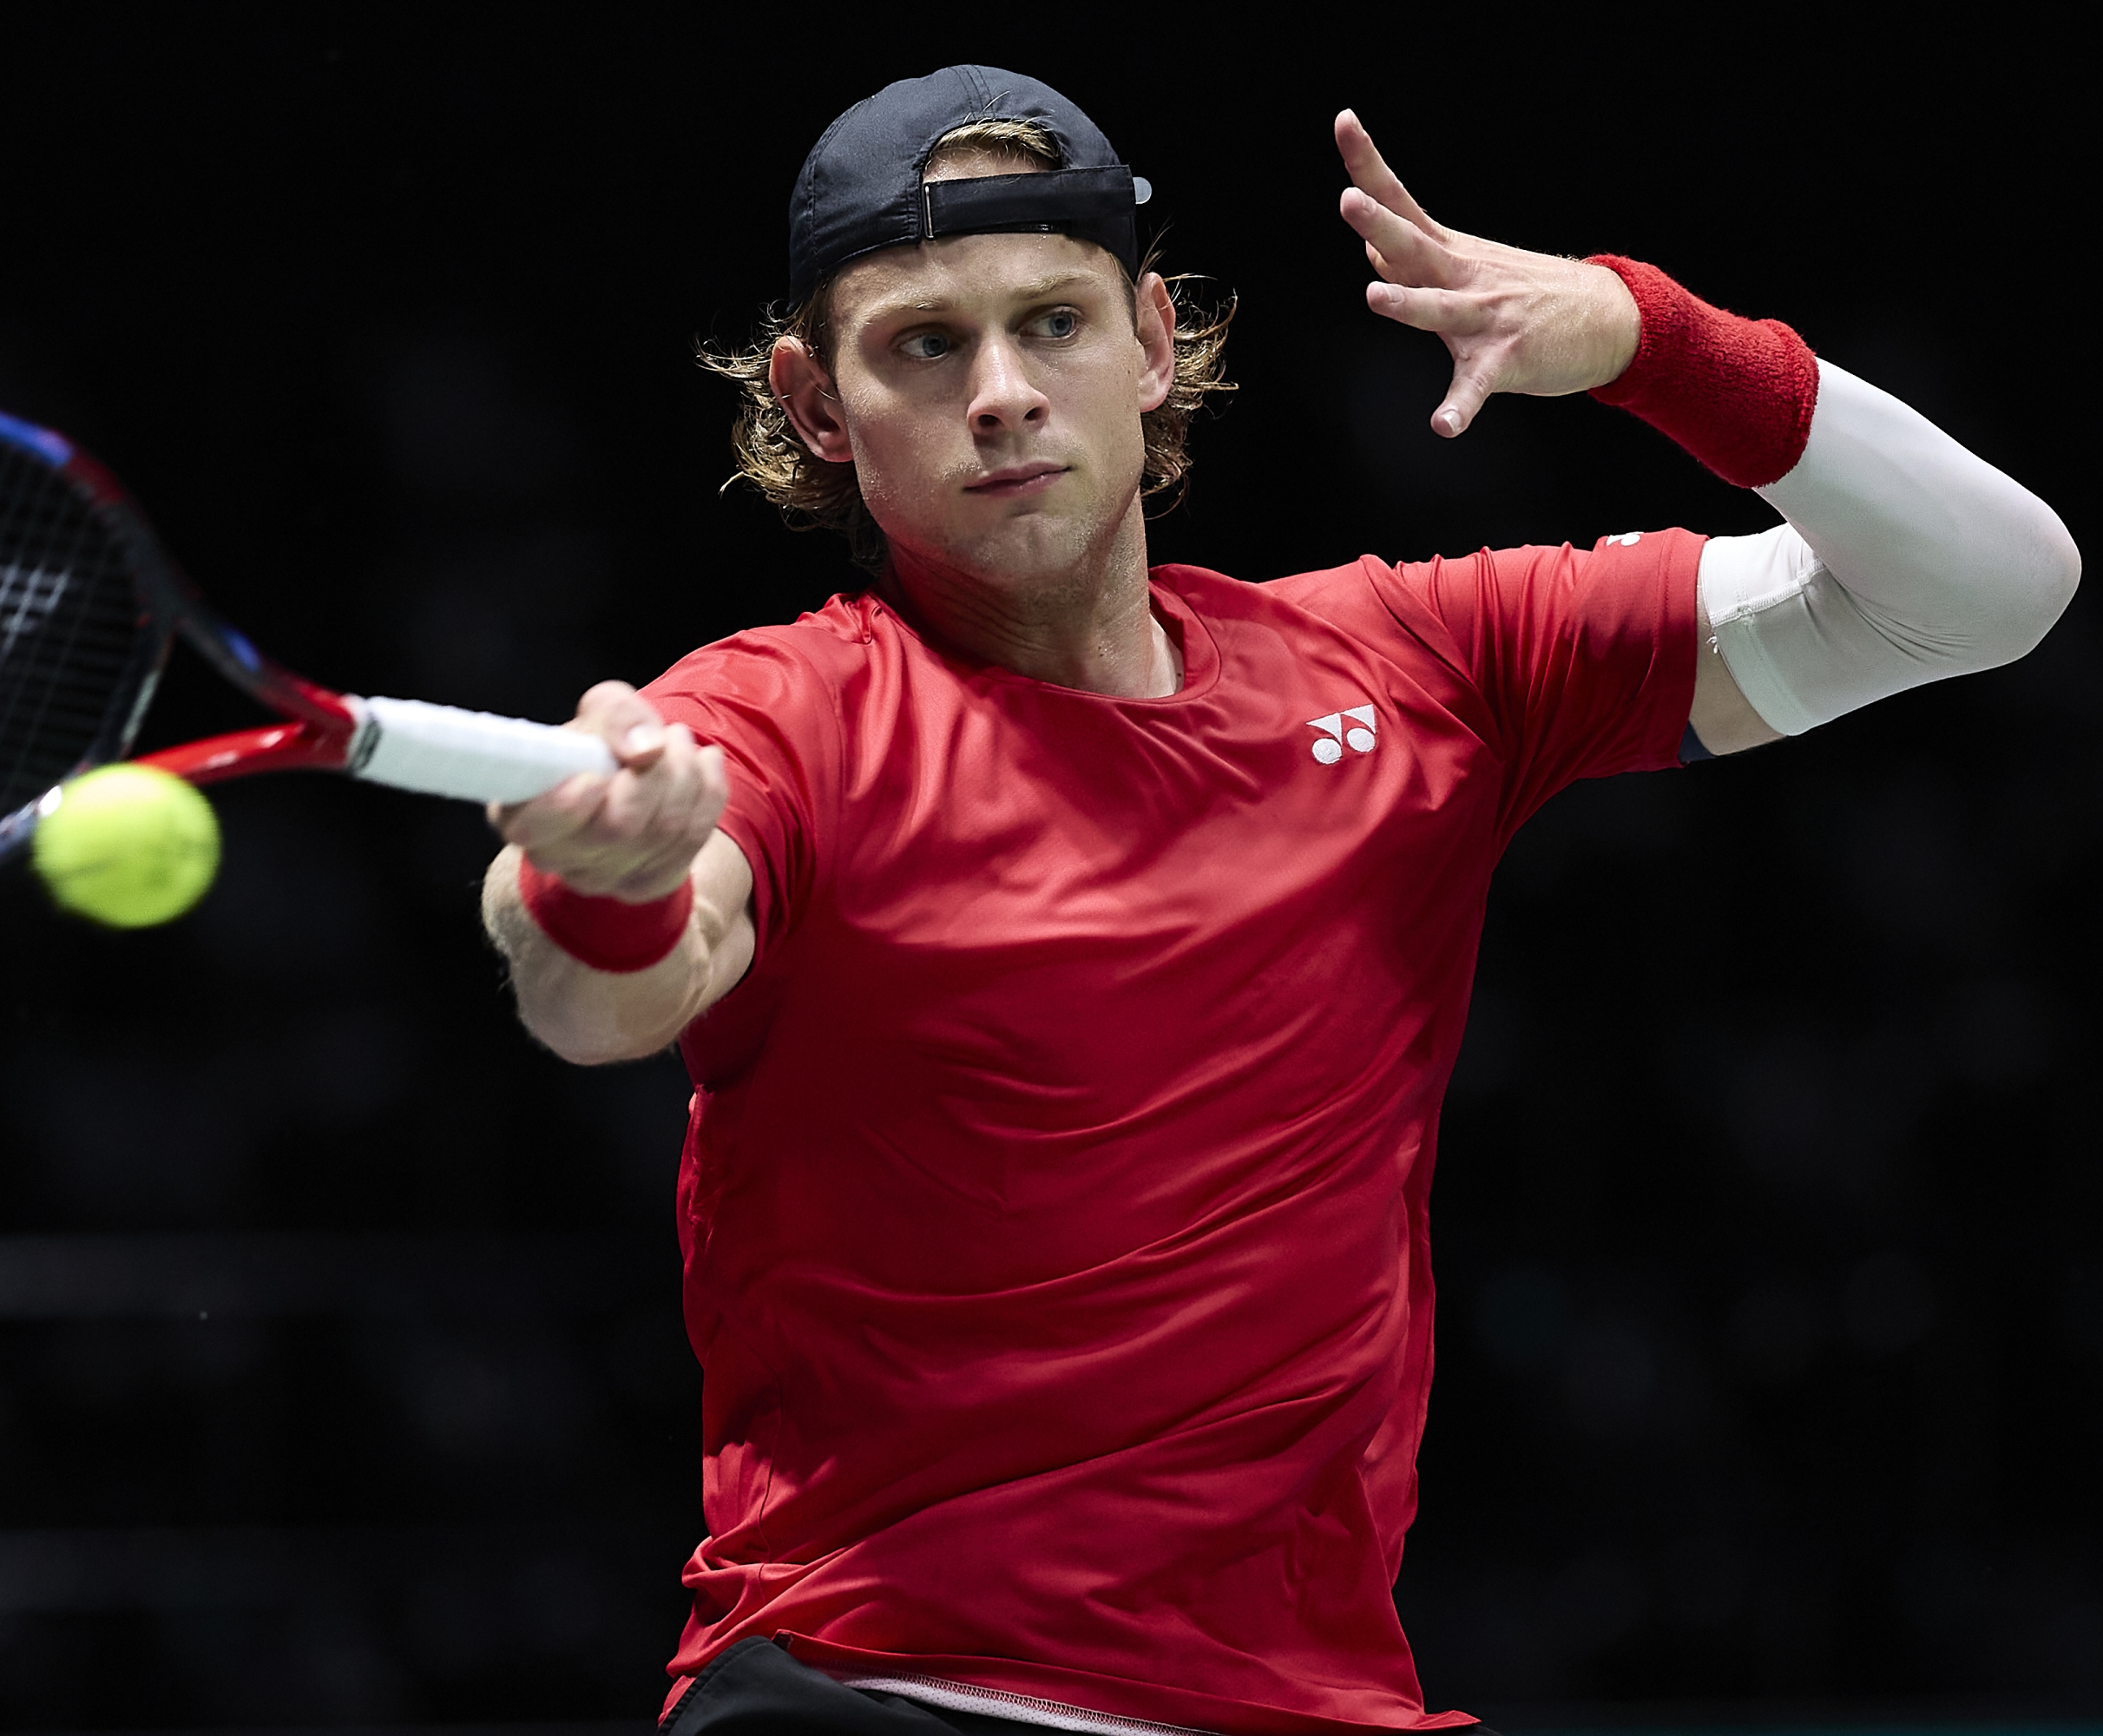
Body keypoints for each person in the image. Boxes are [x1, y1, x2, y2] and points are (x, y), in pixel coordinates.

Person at [478, 66, 2078, 1736]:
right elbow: (603, 1002)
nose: (1005, 394)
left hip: (1315, 1705)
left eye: (1055, 324)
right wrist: (609, 881)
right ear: (818, 403)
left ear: (1156, 341)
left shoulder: (1422, 665)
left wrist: (1655, 342)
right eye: (925, 346)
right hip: (878, 1685)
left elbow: (1992, 589)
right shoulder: (776, 717)